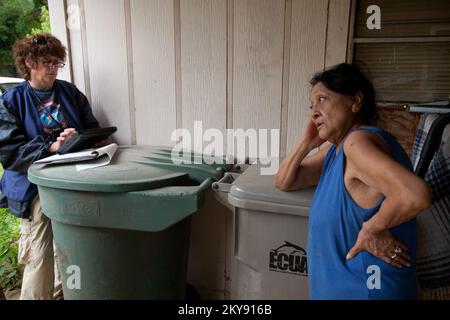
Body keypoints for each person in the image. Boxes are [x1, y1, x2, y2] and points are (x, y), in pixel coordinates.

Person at [274, 63, 432, 299]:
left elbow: (416, 195)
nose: (314, 111)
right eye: (312, 105)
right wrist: (306, 144)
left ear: (355, 101)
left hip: (368, 290)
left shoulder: (357, 143)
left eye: (322, 99)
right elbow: (285, 181)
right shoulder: (336, 152)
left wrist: (371, 229)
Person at [0, 33, 101, 299]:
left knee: (68, 250)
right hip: (34, 186)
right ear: (28, 62)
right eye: (47, 61)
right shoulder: (11, 100)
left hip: (72, 179)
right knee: (39, 254)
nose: (54, 67)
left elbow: (92, 129)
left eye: (58, 62)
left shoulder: (69, 92)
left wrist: (78, 140)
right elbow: (9, 152)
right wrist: (52, 147)